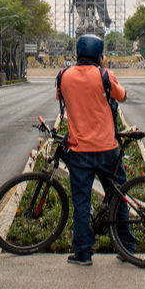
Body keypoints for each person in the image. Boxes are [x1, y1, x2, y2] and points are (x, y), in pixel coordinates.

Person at [56, 34, 130, 267]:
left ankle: (83, 253)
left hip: (79, 150)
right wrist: (104, 70)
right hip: (108, 148)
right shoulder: (104, 75)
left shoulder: (63, 77)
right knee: (118, 196)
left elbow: (61, 98)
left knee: (81, 203)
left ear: (77, 52)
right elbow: (123, 96)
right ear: (99, 54)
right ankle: (125, 246)